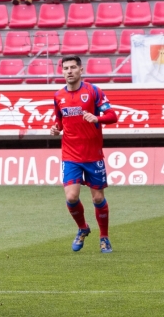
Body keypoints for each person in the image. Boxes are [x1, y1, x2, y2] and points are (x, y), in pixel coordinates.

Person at [50, 56, 118, 254]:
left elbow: (113, 116)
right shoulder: (58, 96)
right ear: (61, 71)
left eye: (73, 67)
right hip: (70, 155)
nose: (69, 71)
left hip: (93, 155)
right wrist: (56, 129)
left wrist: (96, 117)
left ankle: (104, 237)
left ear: (81, 70)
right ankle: (82, 228)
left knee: (98, 199)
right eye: (65, 68)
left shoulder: (93, 91)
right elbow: (60, 122)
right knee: (71, 197)